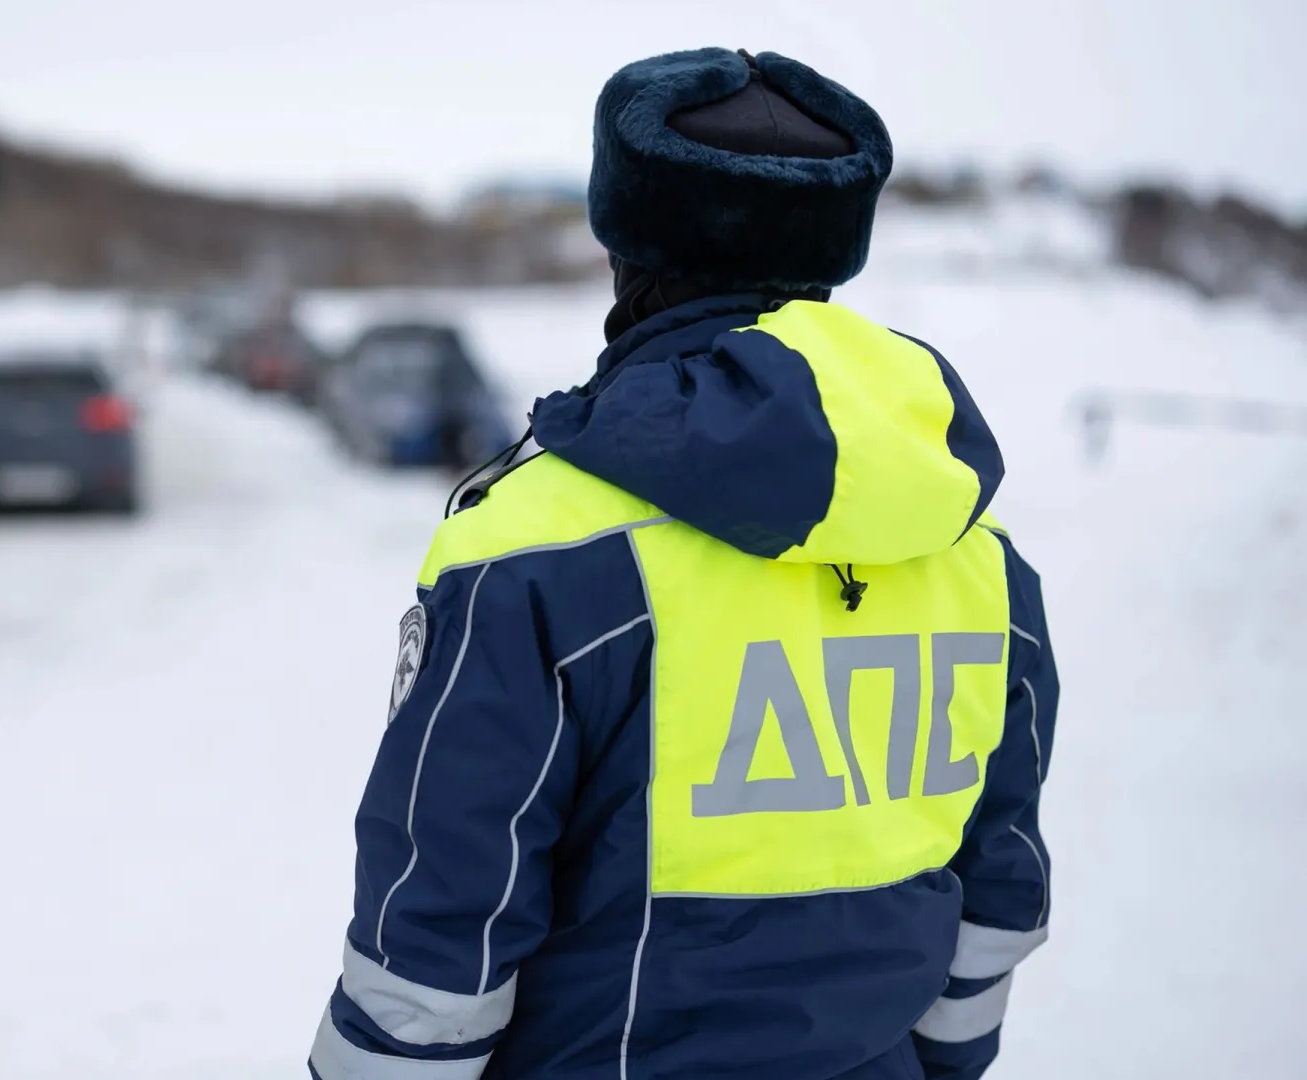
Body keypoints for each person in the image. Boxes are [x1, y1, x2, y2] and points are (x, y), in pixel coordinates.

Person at [308, 47, 1057, 1080]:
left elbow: (442, 934)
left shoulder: (533, 546)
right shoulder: (983, 556)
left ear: (627, 247)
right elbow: (996, 885)